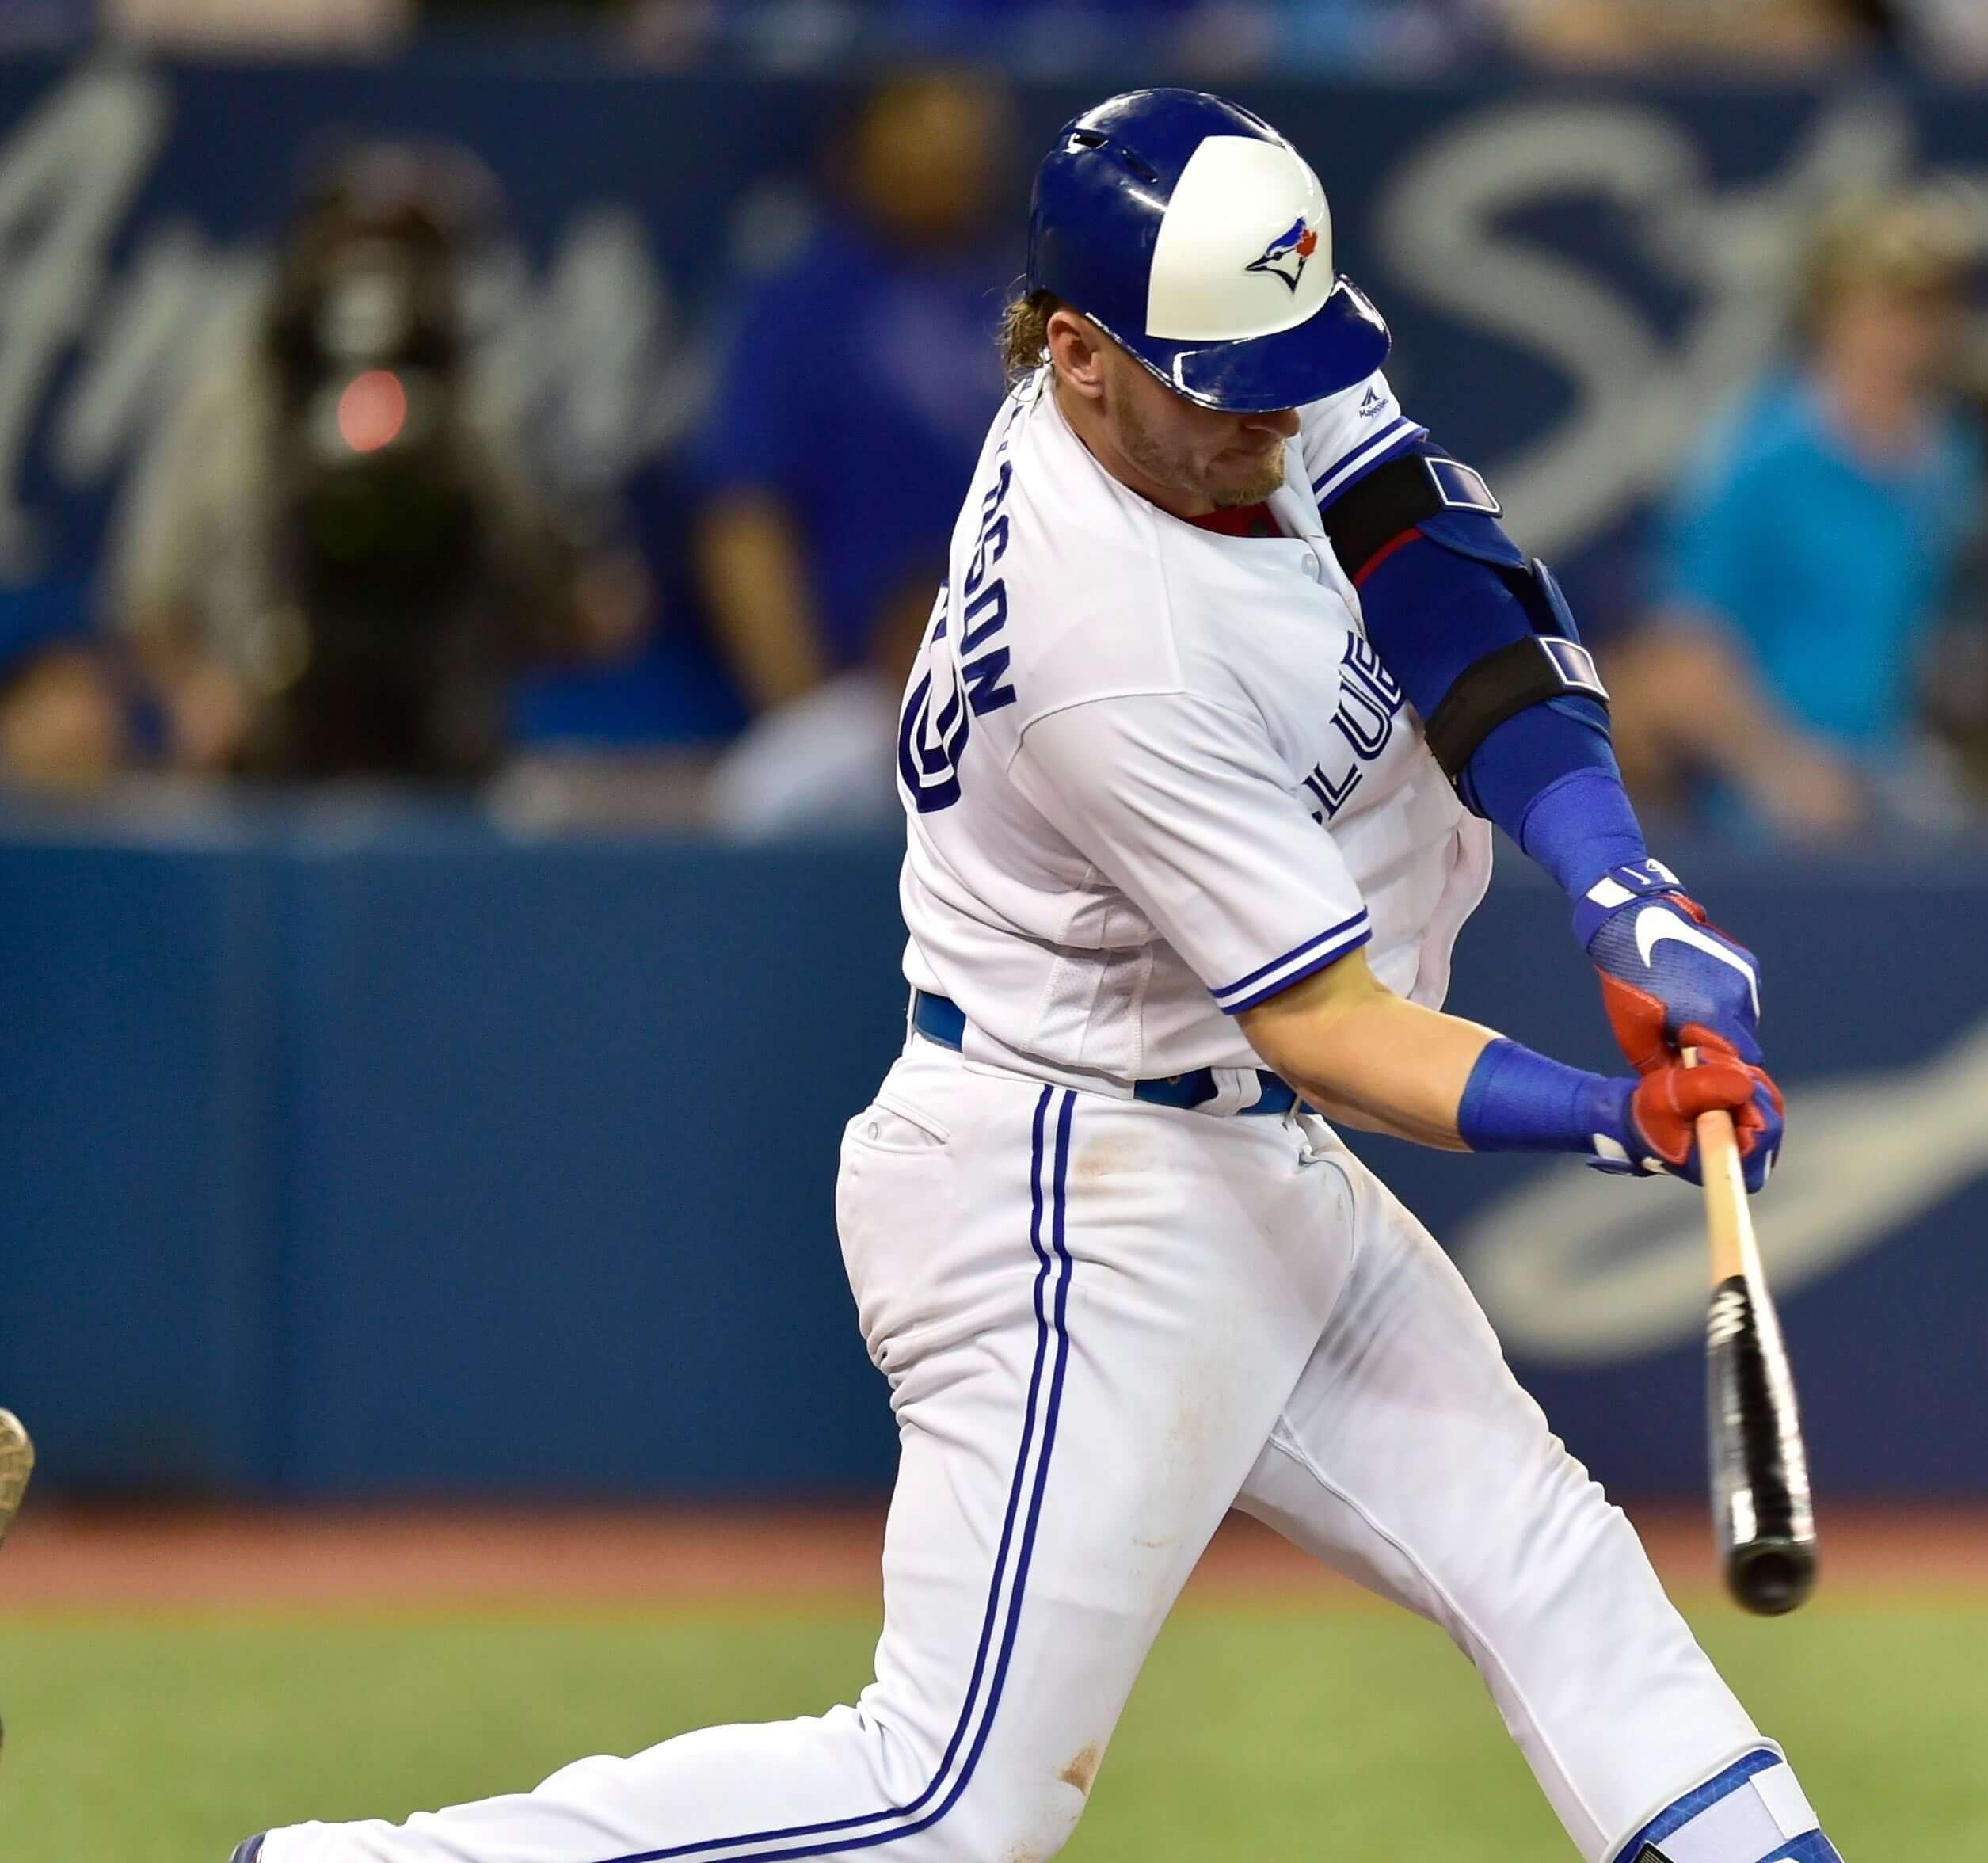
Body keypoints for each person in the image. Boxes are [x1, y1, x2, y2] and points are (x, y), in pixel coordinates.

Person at [231, 90, 1843, 1863]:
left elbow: (1437, 564)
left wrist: (1622, 887)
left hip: (1225, 1156)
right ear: (1076, 358)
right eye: (1230, 393)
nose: (1276, 418)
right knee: (944, 1802)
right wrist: (1613, 1116)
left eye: (1293, 369)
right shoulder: (1108, 639)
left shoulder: (1205, 349)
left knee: (1555, 1580)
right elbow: (1324, 1031)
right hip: (1077, 1181)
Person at [105, 143, 632, 784]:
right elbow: (149, 598)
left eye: (407, 247)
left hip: (444, 755)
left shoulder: (486, 411)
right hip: (265, 754)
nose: (377, 274)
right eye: (353, 241)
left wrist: (580, 602)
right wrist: (201, 693)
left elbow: (560, 598)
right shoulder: (227, 403)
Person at [1609, 189, 1987, 844]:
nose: (1900, 336)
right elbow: (1685, 650)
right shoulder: (1755, 456)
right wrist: (1782, 771)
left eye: (1922, 311)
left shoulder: (1952, 455)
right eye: (1880, 310)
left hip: (1902, 797)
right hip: (1767, 819)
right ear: (1829, 315)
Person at [696, 68, 1019, 722]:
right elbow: (741, 526)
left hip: (1036, 691)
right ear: (860, 146)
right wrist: (806, 714)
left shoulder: (1029, 295)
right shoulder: (798, 307)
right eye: (916, 116)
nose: (944, 141)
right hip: (860, 705)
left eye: (959, 115)